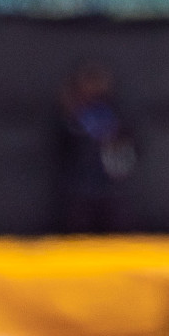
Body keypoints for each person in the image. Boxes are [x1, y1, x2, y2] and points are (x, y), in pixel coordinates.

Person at [59, 62, 135, 232]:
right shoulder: (73, 115)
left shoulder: (114, 112)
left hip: (110, 189)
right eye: (90, 82)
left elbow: (127, 147)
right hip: (80, 189)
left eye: (99, 82)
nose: (95, 88)